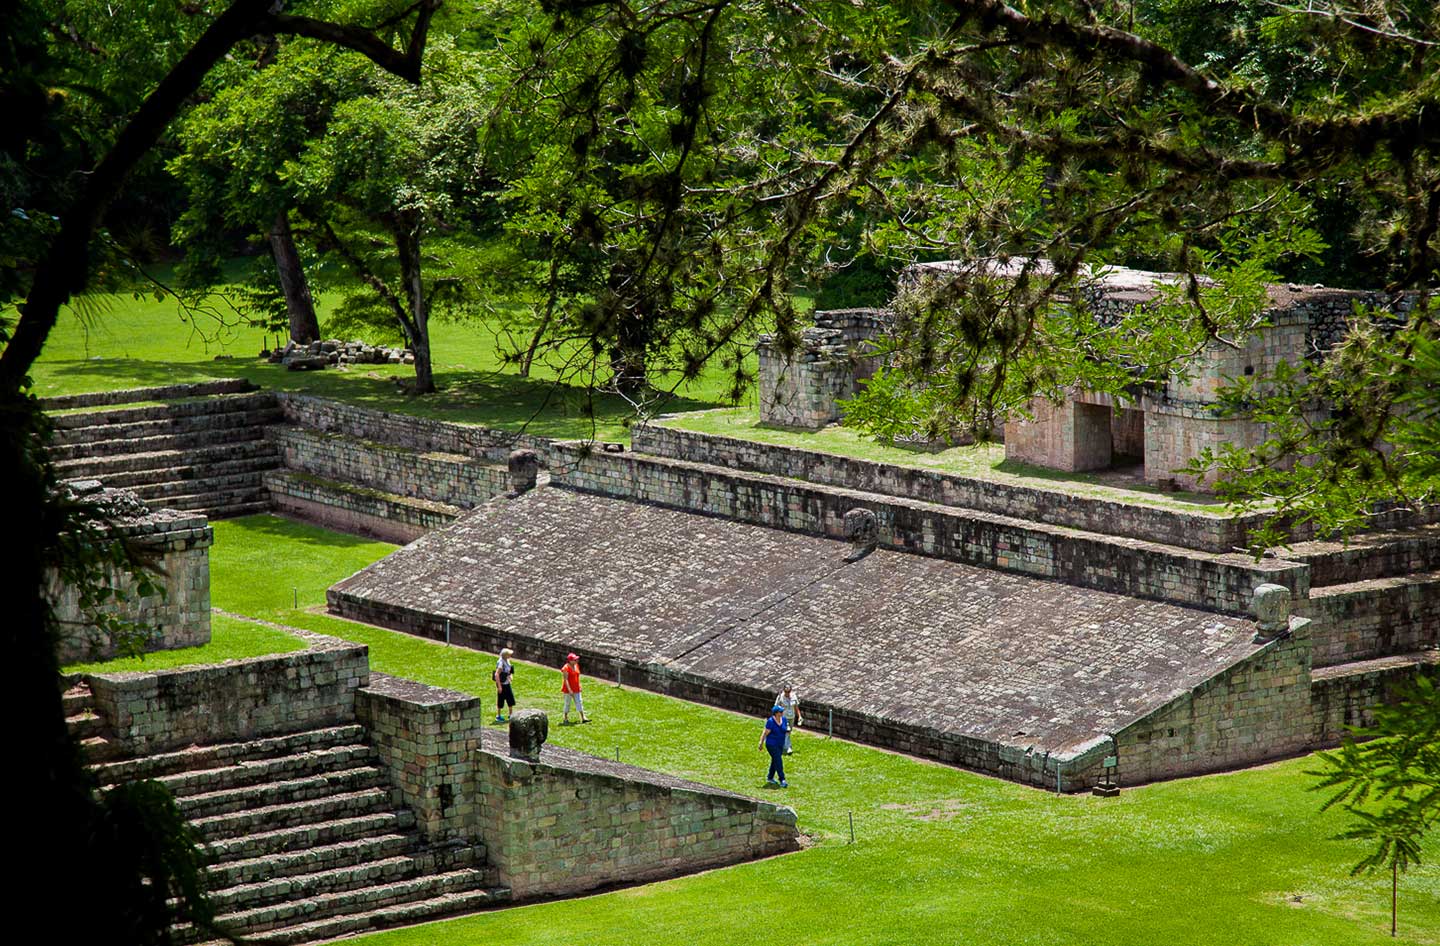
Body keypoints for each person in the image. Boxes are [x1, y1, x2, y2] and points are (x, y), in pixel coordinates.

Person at [758, 705, 790, 787]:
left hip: (780, 744)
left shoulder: (784, 720)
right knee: (778, 760)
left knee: (775, 760)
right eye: (780, 712)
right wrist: (761, 742)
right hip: (771, 744)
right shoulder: (771, 721)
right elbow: (765, 732)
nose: (782, 713)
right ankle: (782, 779)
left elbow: (786, 729)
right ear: (776, 713)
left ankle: (770, 777)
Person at [560, 652, 590, 724]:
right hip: (568, 689)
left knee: (579, 702)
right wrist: (570, 690)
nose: (576, 661)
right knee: (567, 703)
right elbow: (566, 680)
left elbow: (577, 677)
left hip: (576, 688)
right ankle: (565, 718)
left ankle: (583, 718)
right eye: (574, 659)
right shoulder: (566, 668)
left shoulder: (576, 666)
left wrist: (579, 686)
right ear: (570, 660)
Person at [775, 684, 803, 755]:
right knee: (787, 731)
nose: (787, 693)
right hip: (784, 717)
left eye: (789, 691)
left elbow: (796, 707)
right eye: (786, 692)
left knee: (788, 732)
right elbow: (776, 708)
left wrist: (799, 716)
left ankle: (781, 745)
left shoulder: (793, 696)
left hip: (792, 717)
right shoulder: (780, 697)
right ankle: (788, 748)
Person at [493, 647, 516, 723]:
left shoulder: (507, 661)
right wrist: (499, 686)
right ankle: (498, 716)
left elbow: (509, 671)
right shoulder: (501, 663)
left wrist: (510, 676)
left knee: (510, 698)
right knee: (501, 700)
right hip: (502, 684)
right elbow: (497, 675)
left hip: (507, 683)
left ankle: (510, 714)